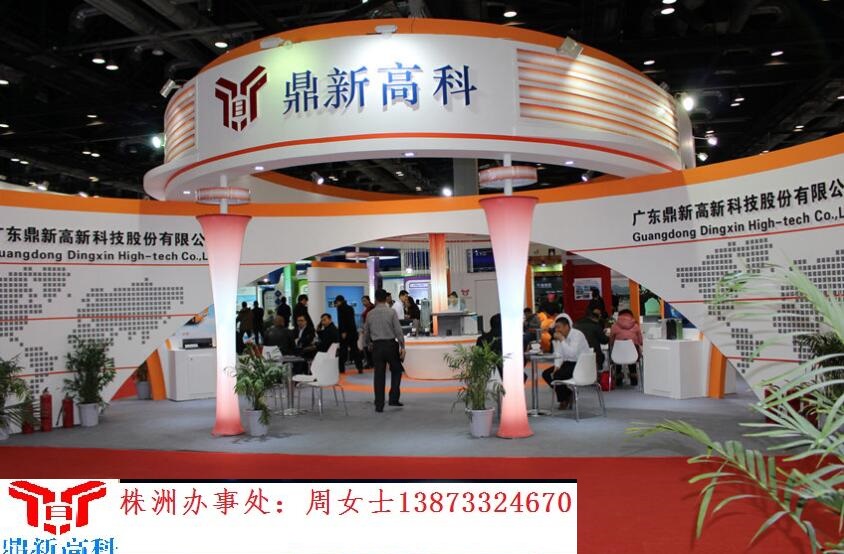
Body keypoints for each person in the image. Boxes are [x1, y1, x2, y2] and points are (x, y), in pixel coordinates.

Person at [364, 288, 405, 412]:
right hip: (390, 345)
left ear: (375, 299)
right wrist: (402, 346)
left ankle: (379, 404)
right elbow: (398, 331)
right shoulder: (391, 312)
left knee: (379, 375)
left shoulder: (370, 314)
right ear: (386, 298)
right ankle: (393, 399)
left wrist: (368, 344)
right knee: (397, 371)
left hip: (377, 346)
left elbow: (366, 332)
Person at [542, 317, 590, 410]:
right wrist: (557, 365)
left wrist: (562, 340)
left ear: (567, 326)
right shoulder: (562, 337)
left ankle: (563, 399)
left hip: (580, 364)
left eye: (559, 327)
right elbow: (559, 353)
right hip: (568, 363)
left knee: (557, 375)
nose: (557, 330)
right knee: (546, 374)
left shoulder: (577, 335)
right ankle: (567, 393)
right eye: (556, 327)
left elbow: (572, 353)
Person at [610, 309, 644, 386]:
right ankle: (634, 380)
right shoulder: (636, 326)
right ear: (631, 316)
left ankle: (618, 380)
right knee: (632, 355)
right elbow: (641, 341)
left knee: (617, 356)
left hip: (618, 355)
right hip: (633, 355)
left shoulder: (614, 326)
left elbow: (611, 342)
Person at [334, 295, 363, 373]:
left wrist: (343, 331)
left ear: (339, 301)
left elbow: (342, 321)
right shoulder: (350, 308)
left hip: (345, 334)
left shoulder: (340, 308)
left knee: (343, 352)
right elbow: (351, 321)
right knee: (355, 351)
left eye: (336, 302)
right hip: (352, 333)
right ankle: (360, 367)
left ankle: (341, 369)